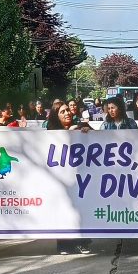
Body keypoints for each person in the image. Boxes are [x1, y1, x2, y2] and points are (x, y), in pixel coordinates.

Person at [48, 103, 93, 255]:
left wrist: (86, 131)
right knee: (63, 210)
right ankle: (64, 244)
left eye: (68, 110)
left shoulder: (81, 127)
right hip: (61, 179)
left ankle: (82, 243)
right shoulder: (50, 133)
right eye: (62, 111)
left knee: (81, 210)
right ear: (56, 116)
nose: (67, 113)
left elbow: (99, 140)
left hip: (80, 178)